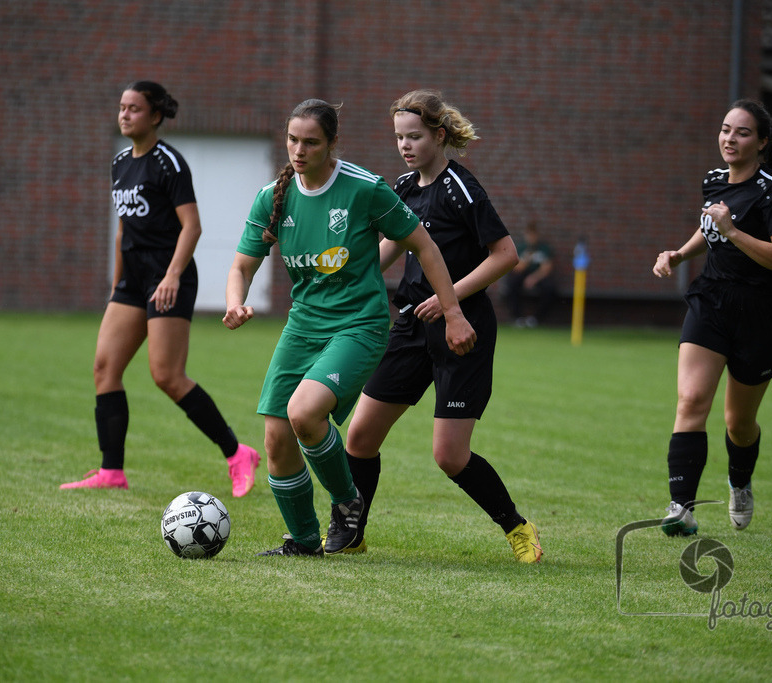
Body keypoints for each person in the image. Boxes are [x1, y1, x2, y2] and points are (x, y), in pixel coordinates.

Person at [223, 98, 476, 557]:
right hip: (303, 327)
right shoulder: (272, 196)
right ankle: (303, 541)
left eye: (311, 142)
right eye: (293, 140)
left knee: (304, 413)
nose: (299, 150)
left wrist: (453, 311)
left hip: (360, 325)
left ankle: (347, 501)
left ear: (332, 143)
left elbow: (425, 245)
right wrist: (235, 303)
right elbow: (242, 266)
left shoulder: (363, 188)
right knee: (276, 437)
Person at [344, 90, 543, 563]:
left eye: (414, 137)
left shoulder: (461, 188)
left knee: (449, 456)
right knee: (360, 437)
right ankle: (352, 533)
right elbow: (391, 246)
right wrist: (345, 279)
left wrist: (449, 299)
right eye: (399, 137)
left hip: (462, 328)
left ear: (438, 135)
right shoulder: (404, 187)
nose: (405, 146)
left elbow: (506, 255)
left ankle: (517, 527)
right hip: (411, 325)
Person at [61, 81, 260, 496]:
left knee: (167, 376)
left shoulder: (169, 162)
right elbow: (123, 229)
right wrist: (116, 285)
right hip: (132, 281)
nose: (124, 114)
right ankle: (111, 472)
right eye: (122, 107)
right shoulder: (120, 163)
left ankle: (237, 453)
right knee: (104, 369)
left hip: (170, 276)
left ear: (155, 116)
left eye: (134, 108)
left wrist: (171, 275)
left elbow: (192, 226)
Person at [652, 99, 772, 535]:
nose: (730, 138)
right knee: (691, 400)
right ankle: (681, 507)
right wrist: (680, 254)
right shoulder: (714, 180)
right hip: (711, 301)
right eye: (725, 129)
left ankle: (740, 481)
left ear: (763, 142)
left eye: (742, 132)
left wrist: (734, 231)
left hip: (759, 314)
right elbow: (709, 227)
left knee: (739, 423)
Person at [503, 222, 557, 327]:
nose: (532, 238)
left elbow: (547, 268)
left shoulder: (544, 249)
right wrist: (527, 258)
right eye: (529, 235)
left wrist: (533, 278)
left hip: (538, 275)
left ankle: (536, 319)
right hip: (522, 274)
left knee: (550, 289)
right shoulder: (521, 248)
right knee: (511, 284)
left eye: (534, 235)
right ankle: (518, 317)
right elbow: (517, 268)